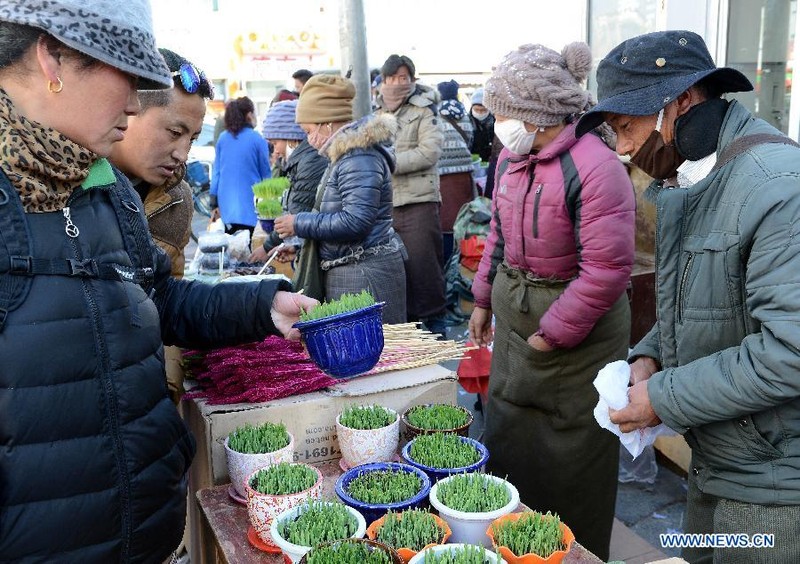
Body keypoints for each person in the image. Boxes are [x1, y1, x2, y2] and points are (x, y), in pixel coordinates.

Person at [0, 1, 317, 561]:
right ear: (52, 58)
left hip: (143, 533)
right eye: (127, 76)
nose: (133, 103)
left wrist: (260, 308)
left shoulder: (107, 188)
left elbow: (157, 298)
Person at [577, 30, 800, 563]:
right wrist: (649, 355)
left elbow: (789, 353)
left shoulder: (776, 187)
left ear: (681, 100)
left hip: (771, 486)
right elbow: (705, 298)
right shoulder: (697, 175)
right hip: (720, 458)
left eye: (627, 127)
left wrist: (662, 398)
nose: (625, 148)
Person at [468, 42, 636, 560]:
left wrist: (554, 331)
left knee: (569, 452)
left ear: (536, 113)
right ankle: (510, 542)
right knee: (510, 433)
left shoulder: (595, 166)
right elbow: (496, 234)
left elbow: (606, 271)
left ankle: (571, 553)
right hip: (521, 323)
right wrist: (481, 300)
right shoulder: (511, 158)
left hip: (575, 335)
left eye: (504, 111)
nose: (498, 122)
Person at [109, 48, 213, 406]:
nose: (182, 153)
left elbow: (168, 302)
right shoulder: (70, 182)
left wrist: (168, 391)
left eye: (193, 138)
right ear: (128, 108)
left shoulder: (178, 199)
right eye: (174, 132)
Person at [274, 74, 407, 323]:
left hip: (364, 274)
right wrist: (304, 244)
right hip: (353, 269)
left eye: (309, 130)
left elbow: (356, 221)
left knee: (373, 356)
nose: (309, 139)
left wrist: (298, 223)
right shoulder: (345, 155)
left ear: (327, 123)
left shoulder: (359, 157)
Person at [375, 54, 447, 333]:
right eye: (391, 78)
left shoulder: (425, 110)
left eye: (403, 78)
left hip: (419, 202)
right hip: (386, 204)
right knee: (394, 269)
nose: (396, 84)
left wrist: (387, 162)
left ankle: (436, 326)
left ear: (413, 80)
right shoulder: (376, 113)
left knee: (424, 268)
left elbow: (429, 152)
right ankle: (405, 328)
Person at [250, 99, 328, 263]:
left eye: (275, 143)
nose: (275, 150)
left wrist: (266, 247)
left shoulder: (310, 162)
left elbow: (297, 213)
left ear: (291, 138)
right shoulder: (296, 162)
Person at [210, 95, 272, 238]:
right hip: (251, 208)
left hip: (226, 209)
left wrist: (213, 202)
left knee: (230, 252)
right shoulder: (257, 139)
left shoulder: (223, 138)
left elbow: (217, 172)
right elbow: (266, 175)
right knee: (250, 252)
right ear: (249, 115)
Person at [436, 79, 475, 260]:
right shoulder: (464, 114)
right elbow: (470, 140)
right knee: (464, 216)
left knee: (445, 221)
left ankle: (447, 258)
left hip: (442, 173)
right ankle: (464, 256)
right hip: (464, 173)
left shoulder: (434, 114)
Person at [469, 87, 503, 197]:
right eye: (477, 110)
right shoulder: (467, 121)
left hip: (491, 164)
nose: (479, 113)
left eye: (483, 110)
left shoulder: (496, 121)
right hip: (473, 165)